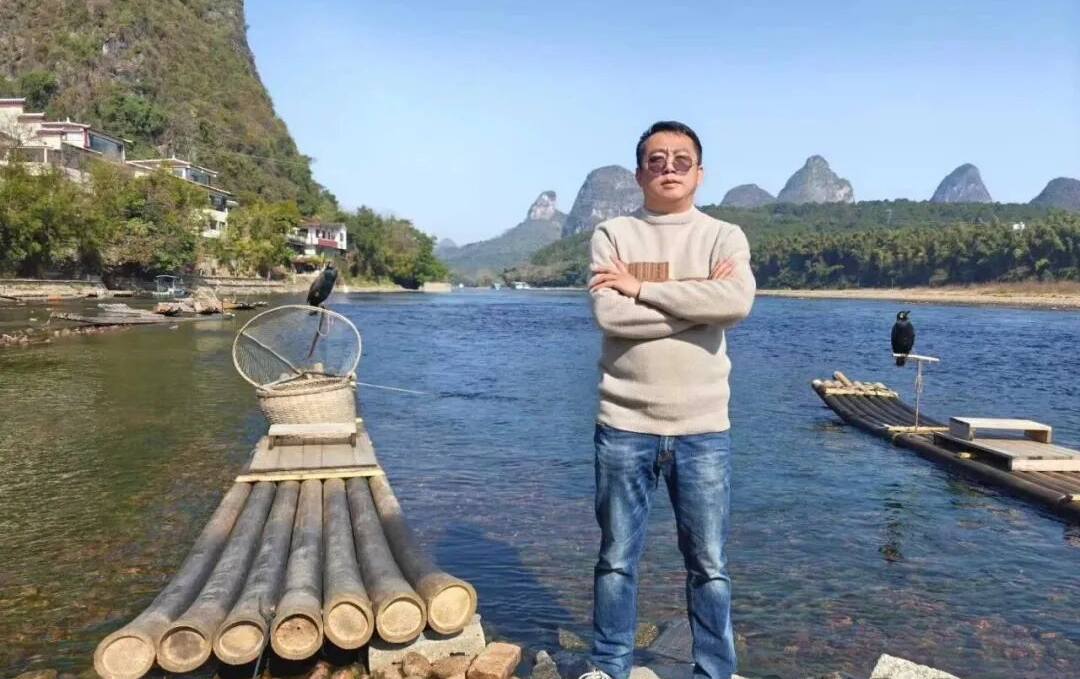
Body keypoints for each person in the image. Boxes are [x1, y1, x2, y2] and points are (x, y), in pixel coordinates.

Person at [582, 121, 756, 679]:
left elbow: (736, 303)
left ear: (700, 173)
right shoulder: (613, 234)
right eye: (656, 160)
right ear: (639, 174)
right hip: (623, 421)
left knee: (709, 564)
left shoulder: (724, 236)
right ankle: (610, 667)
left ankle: (714, 670)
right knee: (616, 559)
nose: (669, 168)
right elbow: (611, 316)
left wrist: (641, 288)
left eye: (682, 159)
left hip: (704, 428)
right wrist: (698, 306)